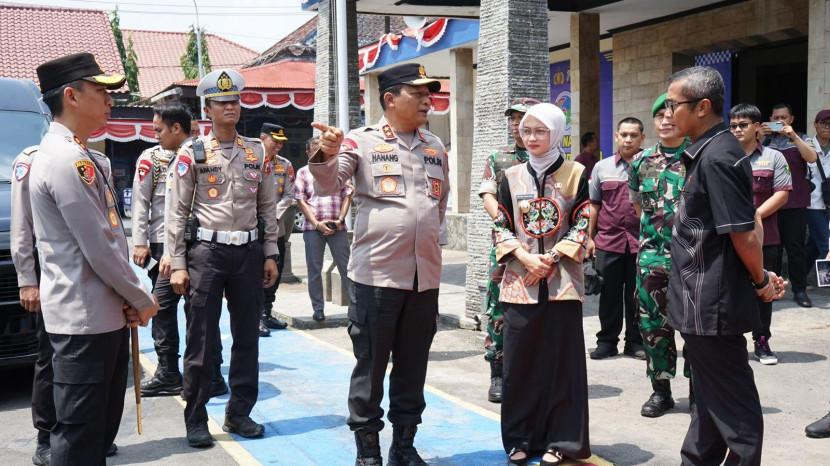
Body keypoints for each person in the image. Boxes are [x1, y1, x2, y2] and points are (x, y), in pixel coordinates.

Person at [311, 63, 448, 466]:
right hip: (377, 277)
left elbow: (439, 204)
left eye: (428, 94)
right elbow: (327, 183)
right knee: (371, 367)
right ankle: (368, 451)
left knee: (413, 367)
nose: (427, 100)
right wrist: (326, 152)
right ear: (390, 99)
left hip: (424, 277)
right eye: (417, 93)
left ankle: (403, 447)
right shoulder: (360, 141)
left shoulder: (435, 146)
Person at [29, 52, 158, 466]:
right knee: (79, 437)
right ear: (71, 96)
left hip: (99, 313)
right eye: (101, 92)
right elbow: (99, 247)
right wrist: (141, 297)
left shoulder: (78, 155)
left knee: (95, 432)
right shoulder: (67, 160)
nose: (109, 101)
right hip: (83, 320)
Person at [665, 66, 785, 466]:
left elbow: (744, 233)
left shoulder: (719, 157)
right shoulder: (707, 152)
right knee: (708, 399)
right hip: (697, 300)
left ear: (702, 107)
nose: (667, 114)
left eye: (673, 105)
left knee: (736, 410)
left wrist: (761, 280)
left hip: (710, 304)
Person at [166, 69, 279, 448]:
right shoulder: (192, 152)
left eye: (234, 101)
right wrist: (177, 263)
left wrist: (270, 253)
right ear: (208, 109)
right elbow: (176, 212)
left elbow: (267, 207)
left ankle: (239, 413)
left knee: (247, 338)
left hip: (248, 252)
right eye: (221, 102)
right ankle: (196, 417)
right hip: (207, 254)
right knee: (200, 339)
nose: (230, 107)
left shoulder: (256, 152)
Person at [493, 102, 592, 466]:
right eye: (526, 131)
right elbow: (500, 224)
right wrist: (525, 258)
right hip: (520, 282)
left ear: (557, 132)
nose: (532, 137)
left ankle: (560, 440)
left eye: (540, 131)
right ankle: (520, 438)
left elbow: (583, 222)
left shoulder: (576, 173)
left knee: (562, 364)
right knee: (520, 364)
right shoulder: (510, 176)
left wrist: (549, 259)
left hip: (562, 282)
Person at [628, 93, 690, 418]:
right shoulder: (641, 161)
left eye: (671, 114)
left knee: (695, 328)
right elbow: (639, 207)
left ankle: (700, 392)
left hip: (693, 260)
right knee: (653, 327)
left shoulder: (698, 156)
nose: (665, 120)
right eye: (659, 115)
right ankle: (661, 391)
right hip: (652, 259)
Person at [477, 97, 538, 403]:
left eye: (522, 118)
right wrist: (504, 220)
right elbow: (487, 194)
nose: (517, 124)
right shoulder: (499, 158)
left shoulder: (551, 158)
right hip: (506, 245)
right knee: (498, 306)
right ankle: (498, 371)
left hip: (542, 246)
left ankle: (535, 371)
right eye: (513, 119)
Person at [132, 102, 191, 396]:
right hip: (160, 243)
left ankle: (203, 370)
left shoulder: (201, 155)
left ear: (176, 128)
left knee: (196, 309)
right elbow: (141, 202)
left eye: (159, 130)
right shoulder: (152, 159)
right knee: (163, 307)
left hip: (195, 244)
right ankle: (169, 370)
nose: (155, 135)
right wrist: (139, 241)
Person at [729, 103, 792, 366]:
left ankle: (762, 340)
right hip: (730, 238)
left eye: (743, 125)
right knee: (729, 290)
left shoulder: (774, 157)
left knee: (764, 289)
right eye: (733, 125)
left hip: (766, 236)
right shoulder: (724, 158)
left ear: (757, 127)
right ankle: (730, 343)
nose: (737, 130)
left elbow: (782, 193)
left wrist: (754, 215)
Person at [588, 117, 645, 360]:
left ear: (642, 137)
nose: (628, 139)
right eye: (624, 134)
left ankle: (635, 342)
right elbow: (594, 205)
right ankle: (607, 342)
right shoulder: (602, 167)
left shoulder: (650, 166)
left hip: (641, 243)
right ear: (616, 137)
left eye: (634, 135)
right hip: (608, 242)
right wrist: (589, 238)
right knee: (609, 296)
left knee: (636, 296)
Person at [761, 103, 818, 308]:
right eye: (776, 118)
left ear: (791, 119)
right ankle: (772, 288)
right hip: (769, 204)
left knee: (796, 249)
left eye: (783, 117)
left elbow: (812, 157)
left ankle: (799, 290)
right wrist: (759, 136)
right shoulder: (765, 141)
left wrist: (792, 135)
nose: (780, 121)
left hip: (795, 203)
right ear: (770, 119)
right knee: (771, 249)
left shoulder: (802, 138)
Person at [295, 136, 353, 322]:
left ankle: (356, 307)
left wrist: (340, 219)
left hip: (338, 227)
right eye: (314, 149)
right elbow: (300, 200)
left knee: (347, 267)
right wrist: (316, 223)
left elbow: (348, 194)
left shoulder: (337, 170)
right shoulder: (303, 172)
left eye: (321, 149)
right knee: (314, 270)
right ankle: (318, 309)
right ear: (308, 153)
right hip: (313, 229)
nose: (318, 152)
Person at [259, 122, 293, 335]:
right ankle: (256, 316)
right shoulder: (250, 161)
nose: (279, 146)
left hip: (276, 228)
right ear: (263, 138)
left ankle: (267, 313)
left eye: (282, 143)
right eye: (275, 141)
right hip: (254, 229)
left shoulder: (285, 165)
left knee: (274, 273)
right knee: (255, 273)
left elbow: (289, 195)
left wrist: (274, 214)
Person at [806, 109, 830, 273]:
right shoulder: (806, 145)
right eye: (823, 123)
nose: (827, 127)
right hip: (813, 204)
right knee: (826, 245)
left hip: (829, 204)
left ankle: (799, 277)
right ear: (815, 125)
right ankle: (826, 280)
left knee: (814, 245)